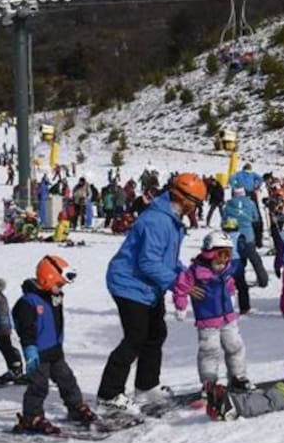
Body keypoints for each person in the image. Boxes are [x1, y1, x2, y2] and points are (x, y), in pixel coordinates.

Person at [96, 172, 205, 413]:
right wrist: (179, 284)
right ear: (184, 199)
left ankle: (146, 386)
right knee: (135, 338)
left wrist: (188, 274)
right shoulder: (157, 220)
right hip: (128, 284)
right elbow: (148, 262)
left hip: (148, 286)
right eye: (196, 203)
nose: (196, 208)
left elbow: (168, 259)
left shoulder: (173, 220)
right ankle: (109, 393)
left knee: (156, 334)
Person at [11, 255, 97, 434]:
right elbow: (25, 328)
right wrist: (29, 348)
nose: (61, 288)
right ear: (47, 279)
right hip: (38, 354)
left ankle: (76, 408)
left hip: (55, 351)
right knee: (38, 386)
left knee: (68, 380)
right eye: (59, 284)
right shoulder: (27, 303)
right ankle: (31, 417)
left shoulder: (54, 297)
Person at [173, 232, 251, 397]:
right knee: (210, 350)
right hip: (207, 319)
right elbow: (181, 286)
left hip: (228, 318)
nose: (224, 259)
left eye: (228, 254)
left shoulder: (226, 270)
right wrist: (181, 307)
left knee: (235, 346)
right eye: (221, 254)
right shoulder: (195, 272)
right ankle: (209, 382)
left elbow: (230, 283)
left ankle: (238, 376)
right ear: (209, 253)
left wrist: (231, 295)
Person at [222, 216, 267, 315]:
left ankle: (224, 306)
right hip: (237, 263)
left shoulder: (222, 236)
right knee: (241, 286)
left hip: (224, 262)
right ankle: (244, 307)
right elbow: (242, 250)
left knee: (224, 285)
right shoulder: (240, 236)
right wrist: (244, 260)